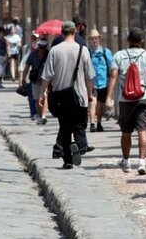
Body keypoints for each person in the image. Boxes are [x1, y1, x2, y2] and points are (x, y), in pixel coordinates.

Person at [38, 20, 95, 169]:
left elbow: (47, 76)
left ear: (62, 33)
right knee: (80, 126)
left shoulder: (55, 51)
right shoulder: (83, 50)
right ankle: (79, 146)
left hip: (61, 97)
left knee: (64, 128)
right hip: (80, 96)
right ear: (75, 32)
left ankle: (68, 160)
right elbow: (89, 76)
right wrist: (90, 94)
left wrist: (41, 94)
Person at [106, 27, 146, 175]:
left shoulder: (119, 55)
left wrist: (108, 97)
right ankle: (142, 162)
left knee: (126, 131)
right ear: (142, 41)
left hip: (125, 98)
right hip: (144, 96)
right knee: (143, 129)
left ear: (128, 40)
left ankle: (126, 161)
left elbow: (113, 75)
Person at [88, 29, 113, 133]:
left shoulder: (106, 52)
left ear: (99, 39)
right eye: (92, 39)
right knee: (92, 103)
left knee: (100, 104)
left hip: (104, 82)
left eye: (96, 38)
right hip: (92, 82)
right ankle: (92, 124)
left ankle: (98, 122)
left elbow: (112, 67)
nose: (94, 41)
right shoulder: (88, 53)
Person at [22, 38, 49, 125]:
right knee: (37, 98)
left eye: (43, 47)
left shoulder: (49, 54)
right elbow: (26, 67)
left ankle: (44, 116)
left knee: (44, 96)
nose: (42, 49)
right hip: (35, 80)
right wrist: (23, 78)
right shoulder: (33, 54)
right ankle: (40, 115)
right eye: (41, 47)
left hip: (45, 79)